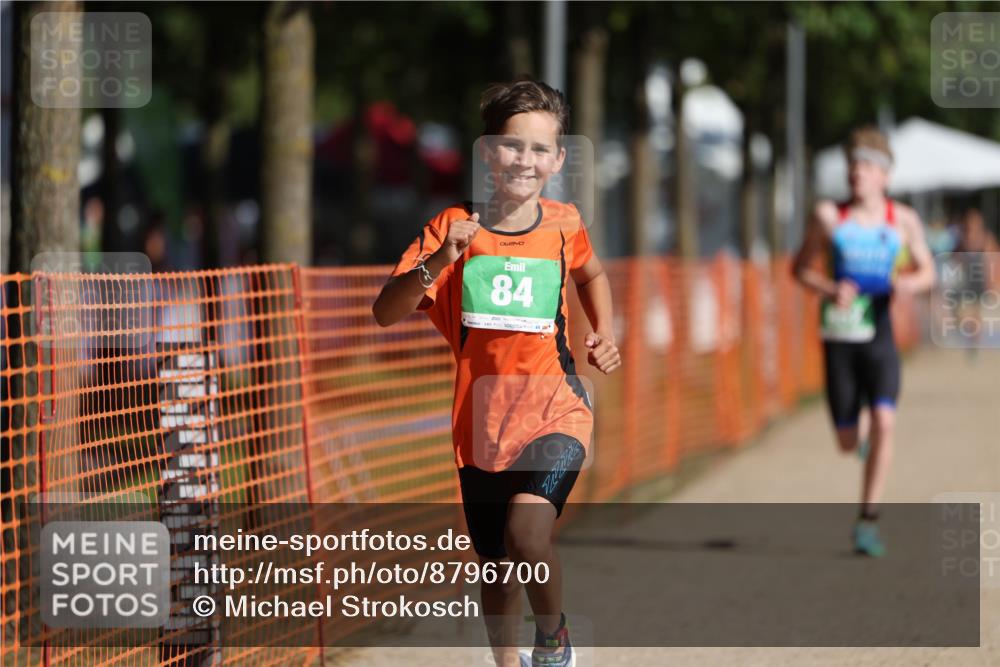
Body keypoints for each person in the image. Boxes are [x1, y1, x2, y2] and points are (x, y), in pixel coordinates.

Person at [372, 79, 620, 667]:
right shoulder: (453, 227)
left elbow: (591, 275)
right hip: (481, 427)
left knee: (527, 537)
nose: (525, 161)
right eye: (513, 146)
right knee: (500, 570)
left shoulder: (564, 223)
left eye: (540, 150)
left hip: (557, 410)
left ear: (559, 159)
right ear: (487, 152)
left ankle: (554, 638)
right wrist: (440, 261)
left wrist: (604, 331)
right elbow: (385, 312)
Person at [792, 126, 935, 557]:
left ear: (884, 176)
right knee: (847, 442)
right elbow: (799, 269)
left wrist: (908, 284)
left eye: (867, 166)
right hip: (840, 337)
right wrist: (828, 288)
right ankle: (861, 436)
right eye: (853, 165)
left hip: (881, 336)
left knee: (887, 421)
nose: (858, 172)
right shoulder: (828, 217)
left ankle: (868, 521)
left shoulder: (903, 220)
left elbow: (929, 270)